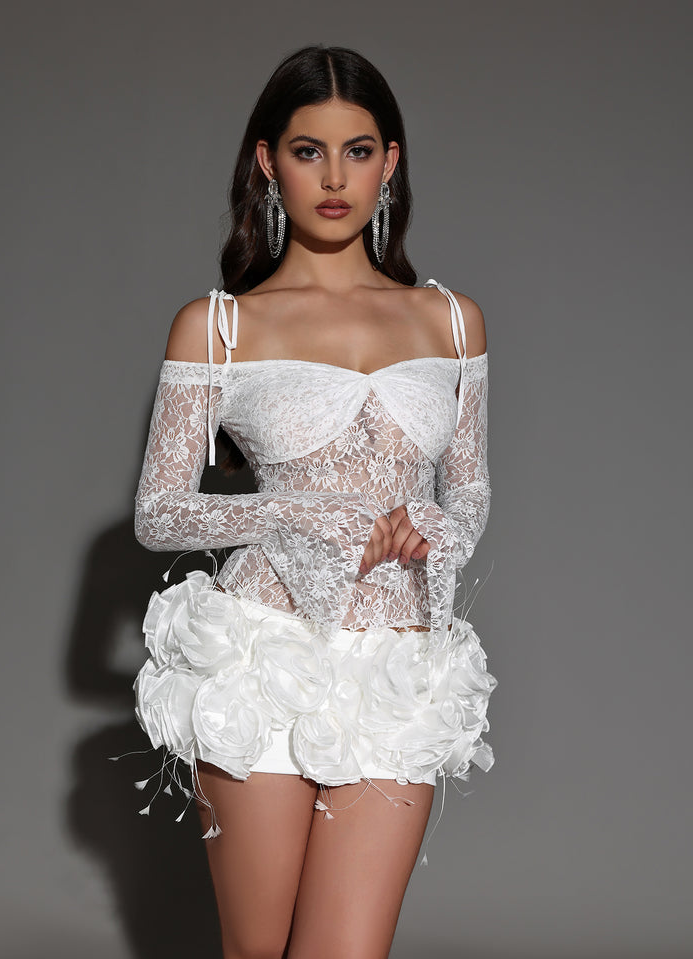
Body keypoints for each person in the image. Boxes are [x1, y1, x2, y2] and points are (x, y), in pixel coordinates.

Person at [128, 44, 497, 959]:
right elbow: (160, 511)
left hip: (399, 663)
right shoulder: (218, 326)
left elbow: (471, 488)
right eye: (308, 151)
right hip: (263, 653)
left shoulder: (453, 321)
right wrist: (292, 512)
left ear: (390, 162)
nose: (335, 178)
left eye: (358, 151)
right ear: (268, 162)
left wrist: (438, 524)